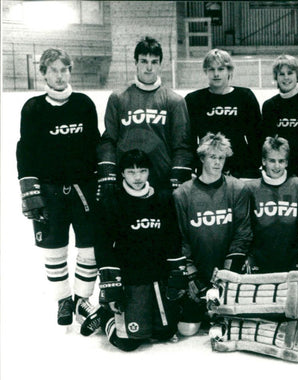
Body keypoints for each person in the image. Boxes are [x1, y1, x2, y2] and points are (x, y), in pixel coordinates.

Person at [16, 48, 101, 329]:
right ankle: (64, 300)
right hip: (50, 191)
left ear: (70, 71)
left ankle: (82, 299)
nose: (60, 75)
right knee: (54, 249)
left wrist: (102, 183)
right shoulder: (33, 108)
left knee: (89, 247)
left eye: (64, 69)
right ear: (44, 73)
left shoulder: (84, 104)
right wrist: (31, 192)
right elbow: (25, 151)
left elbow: (95, 145)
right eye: (53, 70)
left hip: (84, 189)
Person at [94, 150, 183, 351]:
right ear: (122, 174)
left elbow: (173, 238)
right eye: (131, 172)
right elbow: (104, 247)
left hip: (157, 276)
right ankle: (105, 315)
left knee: (164, 333)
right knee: (128, 342)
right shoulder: (112, 200)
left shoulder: (162, 198)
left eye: (142, 171)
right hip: (130, 279)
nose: (137, 177)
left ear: (149, 172)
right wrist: (112, 288)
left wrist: (176, 275)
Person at [173, 133, 252, 336]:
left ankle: (221, 307)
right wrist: (192, 277)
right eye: (212, 157)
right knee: (187, 330)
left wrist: (227, 275)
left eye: (221, 158)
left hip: (227, 273)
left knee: (231, 326)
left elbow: (243, 233)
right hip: (199, 273)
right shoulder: (182, 193)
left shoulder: (238, 188)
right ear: (201, 158)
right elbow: (180, 237)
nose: (217, 162)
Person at [97, 36, 192, 195]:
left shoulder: (174, 101)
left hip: (161, 182)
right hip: (126, 183)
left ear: (160, 64)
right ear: (135, 63)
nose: (149, 67)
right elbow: (108, 140)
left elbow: (182, 145)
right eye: (143, 61)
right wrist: (108, 171)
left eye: (154, 62)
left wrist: (178, 176)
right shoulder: (118, 98)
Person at [184, 49, 262, 179]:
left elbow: (256, 137)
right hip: (207, 170)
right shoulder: (194, 100)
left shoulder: (245, 97)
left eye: (221, 69)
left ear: (229, 71)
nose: (216, 74)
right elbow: (190, 140)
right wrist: (194, 167)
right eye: (211, 69)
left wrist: (254, 166)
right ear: (205, 71)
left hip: (241, 169)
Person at [245, 135, 298, 273]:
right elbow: (245, 229)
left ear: (287, 162)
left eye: (281, 161)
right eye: (272, 161)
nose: (277, 166)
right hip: (260, 260)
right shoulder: (250, 188)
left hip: (292, 260)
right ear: (263, 161)